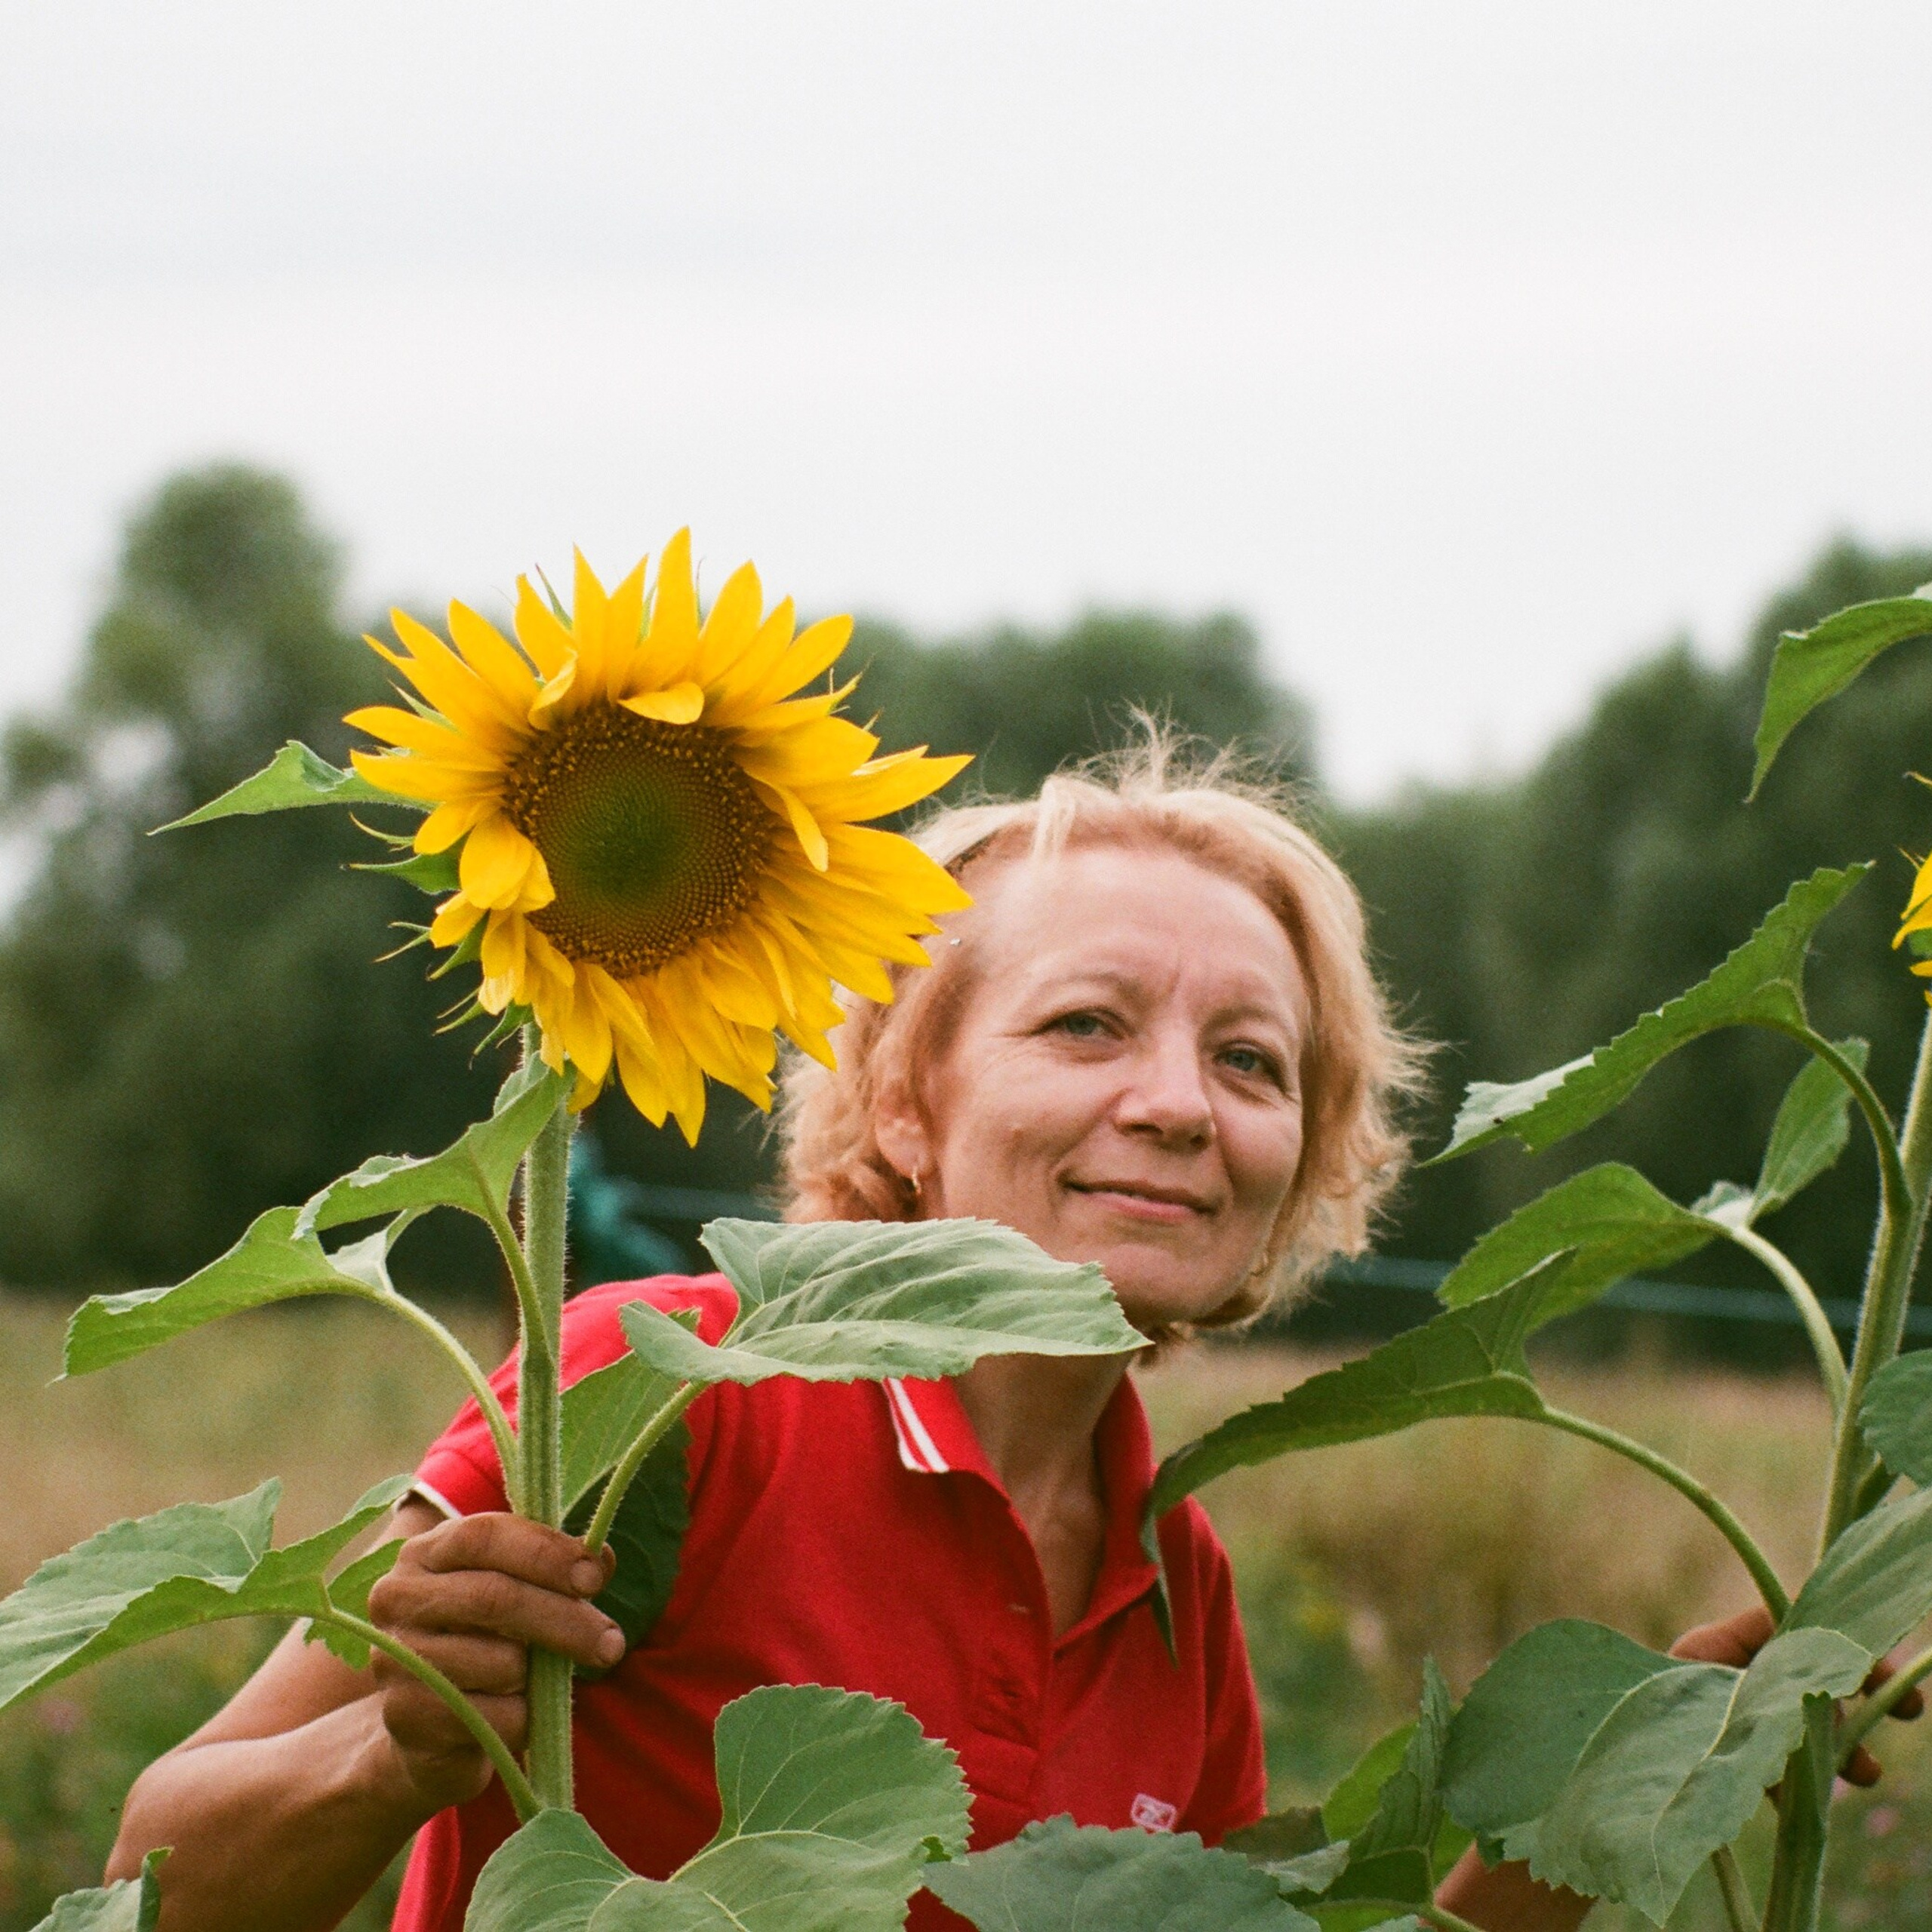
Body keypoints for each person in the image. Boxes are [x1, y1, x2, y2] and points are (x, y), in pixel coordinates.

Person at [104, 746, 1904, 1932]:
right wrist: (391, 1756)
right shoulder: (661, 1389)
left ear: (1300, 1173)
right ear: (902, 1104)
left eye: (1252, 1060)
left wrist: (1668, 1736)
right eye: (1086, 1024)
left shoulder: (1174, 1577)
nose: (1178, 1104)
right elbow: (151, 1869)